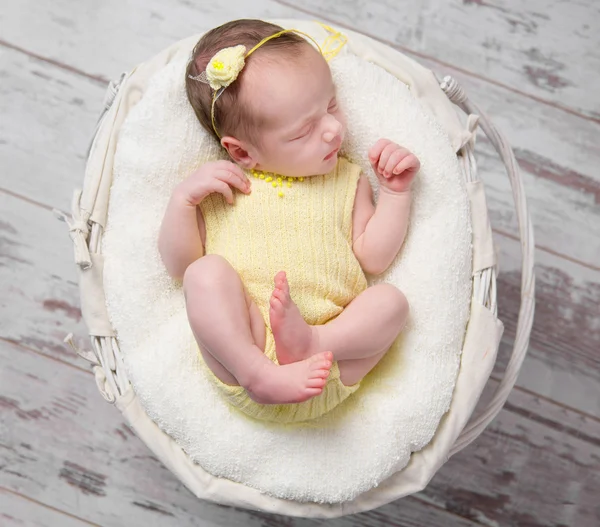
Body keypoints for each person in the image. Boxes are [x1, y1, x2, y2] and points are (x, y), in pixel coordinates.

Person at [158, 19, 419, 423]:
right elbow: (179, 266)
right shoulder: (225, 185)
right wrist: (182, 203)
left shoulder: (346, 180)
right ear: (243, 153)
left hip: (331, 362)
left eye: (331, 105)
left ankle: (313, 340)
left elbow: (373, 258)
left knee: (391, 303)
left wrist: (396, 195)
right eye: (304, 131)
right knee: (203, 275)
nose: (333, 130)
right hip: (244, 359)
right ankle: (259, 371)